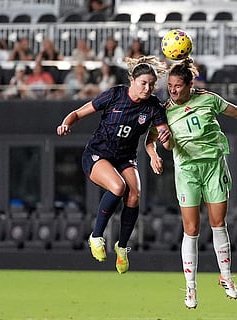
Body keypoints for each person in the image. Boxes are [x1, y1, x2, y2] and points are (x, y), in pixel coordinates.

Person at [145, 58, 237, 309]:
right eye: (170, 86)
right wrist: (157, 153)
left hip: (214, 167)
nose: (173, 90)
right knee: (191, 229)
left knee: (218, 223)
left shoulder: (208, 99)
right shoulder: (165, 110)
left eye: (178, 86)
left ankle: (227, 277)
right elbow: (153, 140)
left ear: (190, 85)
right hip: (187, 171)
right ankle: (190, 287)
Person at [56, 55, 171, 274]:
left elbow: (159, 133)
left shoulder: (153, 106)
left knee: (135, 194)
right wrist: (65, 124)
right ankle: (96, 236)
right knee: (118, 187)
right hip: (98, 154)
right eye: (143, 83)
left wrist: (160, 145)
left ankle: (122, 247)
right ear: (132, 80)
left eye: (151, 84)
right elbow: (78, 113)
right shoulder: (115, 94)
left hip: (125, 158)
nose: (147, 88)